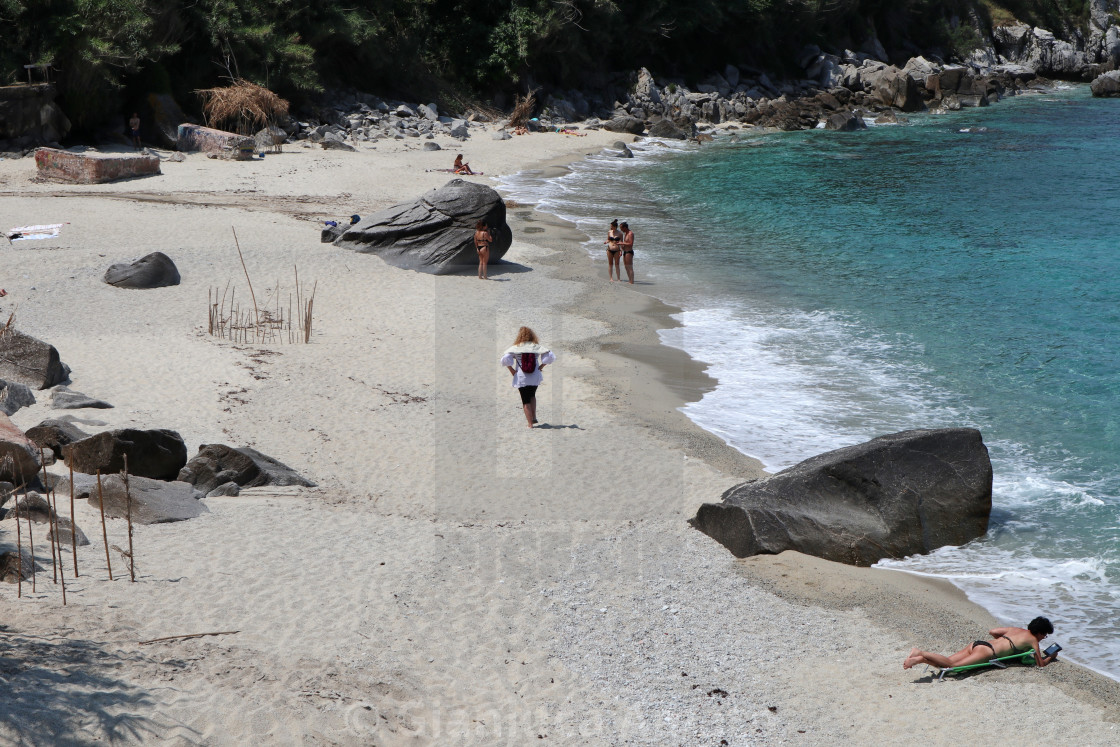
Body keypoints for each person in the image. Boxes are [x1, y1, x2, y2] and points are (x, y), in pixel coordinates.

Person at [902, 616, 1058, 671]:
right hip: (986, 652)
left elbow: (993, 631)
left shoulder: (1014, 629)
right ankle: (920, 653)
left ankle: (920, 659)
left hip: (978, 644)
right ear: (1039, 632)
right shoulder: (1032, 640)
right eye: (1044, 635)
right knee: (952, 666)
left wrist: (1009, 644)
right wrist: (1051, 656)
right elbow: (1040, 664)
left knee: (946, 662)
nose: (1043, 638)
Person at [500, 327, 556, 428]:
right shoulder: (536, 347)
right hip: (535, 375)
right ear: (532, 335)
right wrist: (541, 367)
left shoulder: (515, 347)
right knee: (532, 395)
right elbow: (550, 356)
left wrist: (511, 370)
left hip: (521, 376)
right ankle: (534, 417)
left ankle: (530, 424)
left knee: (525, 400)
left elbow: (505, 359)